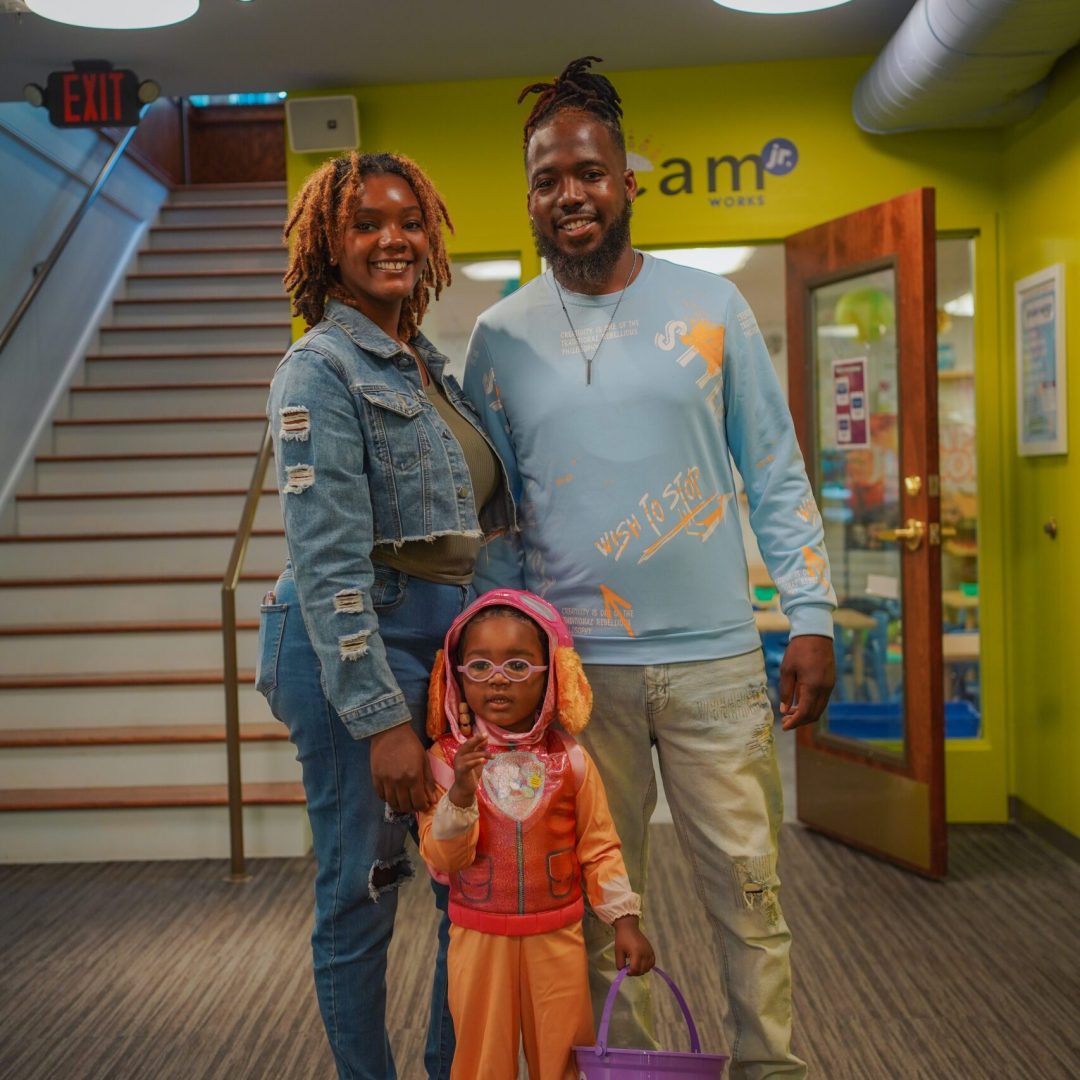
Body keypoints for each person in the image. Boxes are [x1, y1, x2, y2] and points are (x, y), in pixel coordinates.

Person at [462, 57, 836, 1080]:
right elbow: (494, 521)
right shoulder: (498, 339)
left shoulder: (711, 306)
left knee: (750, 898)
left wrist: (810, 613)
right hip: (577, 678)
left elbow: (774, 469)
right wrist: (498, 672)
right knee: (595, 907)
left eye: (588, 172)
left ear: (628, 181)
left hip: (717, 665)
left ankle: (769, 1068)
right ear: (530, 200)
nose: (569, 194)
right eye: (546, 179)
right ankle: (624, 1071)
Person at [257, 150, 516, 1080]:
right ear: (329, 245)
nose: (391, 238)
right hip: (356, 643)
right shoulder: (319, 369)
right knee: (362, 893)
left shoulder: (425, 367)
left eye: (408, 221)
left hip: (444, 645)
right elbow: (328, 558)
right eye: (364, 224)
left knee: (466, 881)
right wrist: (379, 720)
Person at [418, 588, 655, 1080]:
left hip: (557, 937)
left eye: (518, 665)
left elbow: (600, 846)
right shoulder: (445, 761)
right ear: (456, 676)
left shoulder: (570, 760)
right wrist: (460, 792)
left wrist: (624, 920)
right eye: (479, 666)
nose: (497, 679)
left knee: (563, 1055)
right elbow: (442, 861)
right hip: (479, 938)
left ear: (553, 676)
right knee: (482, 1060)